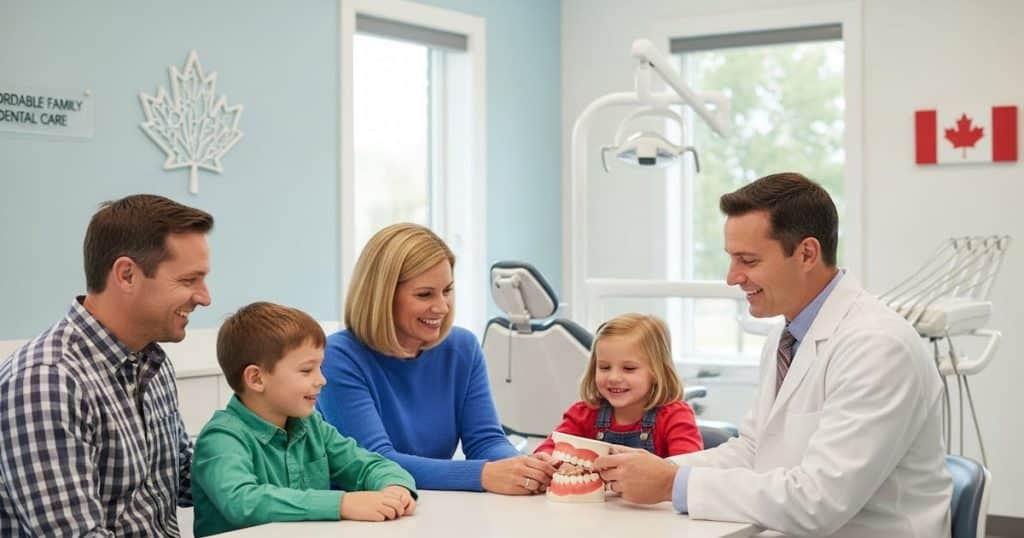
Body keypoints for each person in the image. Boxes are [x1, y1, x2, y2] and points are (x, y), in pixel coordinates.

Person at [594, 173, 952, 537]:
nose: (733, 277)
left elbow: (819, 502)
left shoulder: (878, 347)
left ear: (807, 253)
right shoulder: (787, 337)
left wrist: (674, 485)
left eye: (748, 260)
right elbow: (753, 451)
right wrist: (638, 472)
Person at [0, 194, 213, 536]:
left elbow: (186, 481)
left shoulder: (151, 361)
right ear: (127, 275)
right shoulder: (46, 382)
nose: (205, 297)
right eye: (189, 280)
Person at [317, 223, 557, 494]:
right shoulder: (337, 358)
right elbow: (376, 461)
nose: (442, 307)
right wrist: (482, 475)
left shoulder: (462, 349)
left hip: (431, 510)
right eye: (424, 294)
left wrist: (525, 466)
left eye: (447, 290)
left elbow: (485, 441)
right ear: (382, 296)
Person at [191, 302, 417, 537]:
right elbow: (243, 502)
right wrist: (341, 504)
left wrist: (395, 488)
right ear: (256, 378)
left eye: (320, 368)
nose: (321, 380)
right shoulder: (221, 438)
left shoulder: (312, 426)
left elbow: (367, 465)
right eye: (307, 370)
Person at [534, 313, 702, 458]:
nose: (614, 377)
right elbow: (549, 451)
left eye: (629, 369)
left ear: (657, 372)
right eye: (604, 367)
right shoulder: (583, 414)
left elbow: (686, 469)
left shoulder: (674, 416)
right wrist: (542, 461)